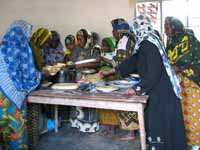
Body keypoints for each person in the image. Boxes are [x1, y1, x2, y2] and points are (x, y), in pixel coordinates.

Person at [100, 15, 187, 150]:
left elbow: (154, 72)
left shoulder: (149, 44)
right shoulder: (145, 43)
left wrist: (137, 89)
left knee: (161, 128)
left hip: (163, 95)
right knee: (158, 128)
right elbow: (134, 61)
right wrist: (111, 71)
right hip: (157, 92)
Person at [0, 20, 41, 149]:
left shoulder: (2, 51)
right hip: (12, 102)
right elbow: (30, 78)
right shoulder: (23, 48)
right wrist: (41, 75)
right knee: (15, 135)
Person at [165, 16, 200, 150]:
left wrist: (179, 67)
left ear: (174, 27)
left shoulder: (189, 39)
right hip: (177, 84)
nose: (165, 30)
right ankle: (183, 143)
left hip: (191, 82)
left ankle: (196, 145)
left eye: (167, 27)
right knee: (180, 116)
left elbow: (196, 60)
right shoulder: (171, 41)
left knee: (192, 117)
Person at [99, 18, 137, 140]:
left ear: (119, 31)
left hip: (126, 76)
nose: (112, 33)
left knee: (126, 101)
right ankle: (128, 131)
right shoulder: (130, 39)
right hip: (132, 74)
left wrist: (108, 70)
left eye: (113, 30)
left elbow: (120, 63)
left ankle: (130, 132)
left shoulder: (123, 41)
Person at [69, 29, 100, 133]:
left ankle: (89, 126)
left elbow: (97, 64)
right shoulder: (76, 49)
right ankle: (77, 123)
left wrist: (82, 65)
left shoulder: (94, 49)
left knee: (88, 102)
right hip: (78, 77)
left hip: (90, 78)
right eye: (77, 39)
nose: (79, 41)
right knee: (77, 101)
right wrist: (70, 65)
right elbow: (71, 61)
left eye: (81, 39)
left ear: (87, 39)